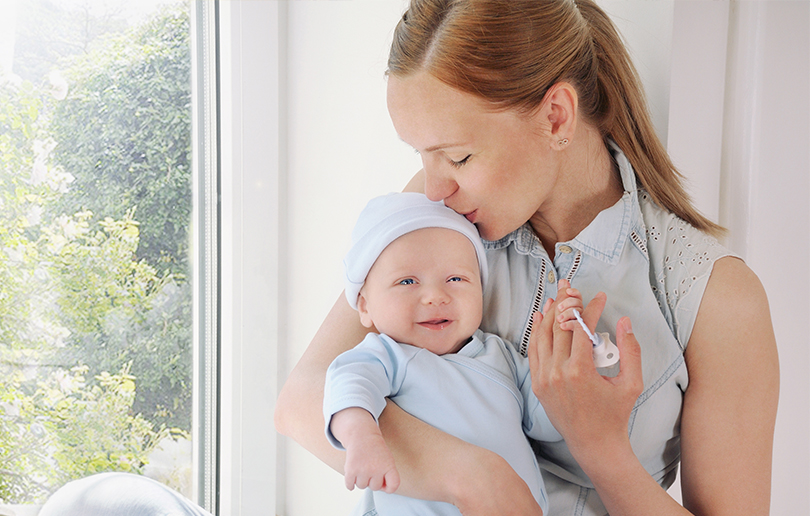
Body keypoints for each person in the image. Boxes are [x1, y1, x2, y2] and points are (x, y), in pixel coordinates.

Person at [274, 1, 780, 515]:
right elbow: (302, 400)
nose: (433, 186)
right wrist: (473, 476)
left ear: (556, 116)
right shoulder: (438, 218)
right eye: (421, 156)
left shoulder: (714, 297)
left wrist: (601, 448)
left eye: (459, 157)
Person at [326, 192, 589, 515]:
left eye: (456, 278)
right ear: (365, 305)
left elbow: (547, 424)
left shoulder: (499, 356)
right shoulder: (387, 356)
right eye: (407, 281)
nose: (436, 296)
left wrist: (564, 344)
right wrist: (361, 436)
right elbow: (347, 388)